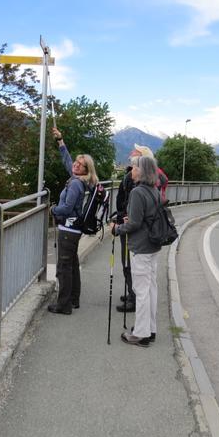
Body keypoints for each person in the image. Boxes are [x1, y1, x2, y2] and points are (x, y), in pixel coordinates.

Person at [110, 155, 162, 347]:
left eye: (135, 167)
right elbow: (143, 218)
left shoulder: (138, 192)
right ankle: (150, 329)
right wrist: (130, 222)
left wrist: (117, 229)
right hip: (152, 246)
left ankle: (140, 333)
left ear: (142, 171)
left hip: (140, 247)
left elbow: (134, 223)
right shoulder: (153, 190)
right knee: (150, 289)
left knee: (141, 291)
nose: (132, 170)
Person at [48, 126, 99, 315]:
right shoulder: (80, 179)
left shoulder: (76, 183)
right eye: (76, 163)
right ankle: (74, 299)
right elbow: (66, 161)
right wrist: (60, 141)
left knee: (63, 267)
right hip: (75, 230)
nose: (75, 165)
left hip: (69, 230)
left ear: (86, 169)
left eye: (80, 165)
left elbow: (67, 208)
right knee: (71, 265)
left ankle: (63, 305)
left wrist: (53, 209)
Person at [115, 144, 168, 313]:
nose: (131, 154)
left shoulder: (139, 187)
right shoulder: (148, 184)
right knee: (139, 275)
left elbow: (137, 216)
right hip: (142, 235)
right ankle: (132, 294)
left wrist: (119, 227)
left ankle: (134, 298)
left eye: (135, 154)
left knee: (131, 266)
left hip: (138, 237)